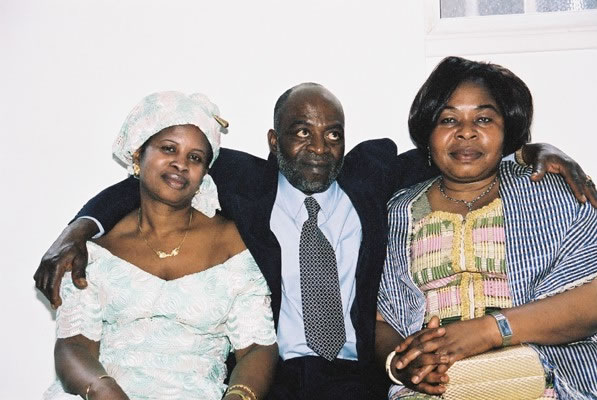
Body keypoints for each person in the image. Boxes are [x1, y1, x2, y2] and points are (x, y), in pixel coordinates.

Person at [35, 83, 596, 400]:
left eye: (332, 134)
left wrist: (535, 149)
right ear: (274, 140)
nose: (319, 147)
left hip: (359, 373)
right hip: (274, 372)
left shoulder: (373, 174)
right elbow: (154, 181)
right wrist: (78, 228)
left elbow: (459, 150)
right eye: (301, 132)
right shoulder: (241, 182)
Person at [376, 56, 597, 399]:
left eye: (483, 118)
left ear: (506, 129)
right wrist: (399, 363)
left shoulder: (553, 193)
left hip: (543, 377)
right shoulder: (397, 212)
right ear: (428, 134)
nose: (466, 131)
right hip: (438, 388)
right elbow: (378, 319)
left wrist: (492, 330)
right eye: (448, 119)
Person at [41, 91, 278, 400]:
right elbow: (73, 346)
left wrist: (239, 396)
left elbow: (257, 346)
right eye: (169, 149)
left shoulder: (232, 244)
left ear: (205, 173)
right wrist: (104, 391)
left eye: (195, 157)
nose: (181, 164)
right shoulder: (96, 249)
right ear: (138, 155)